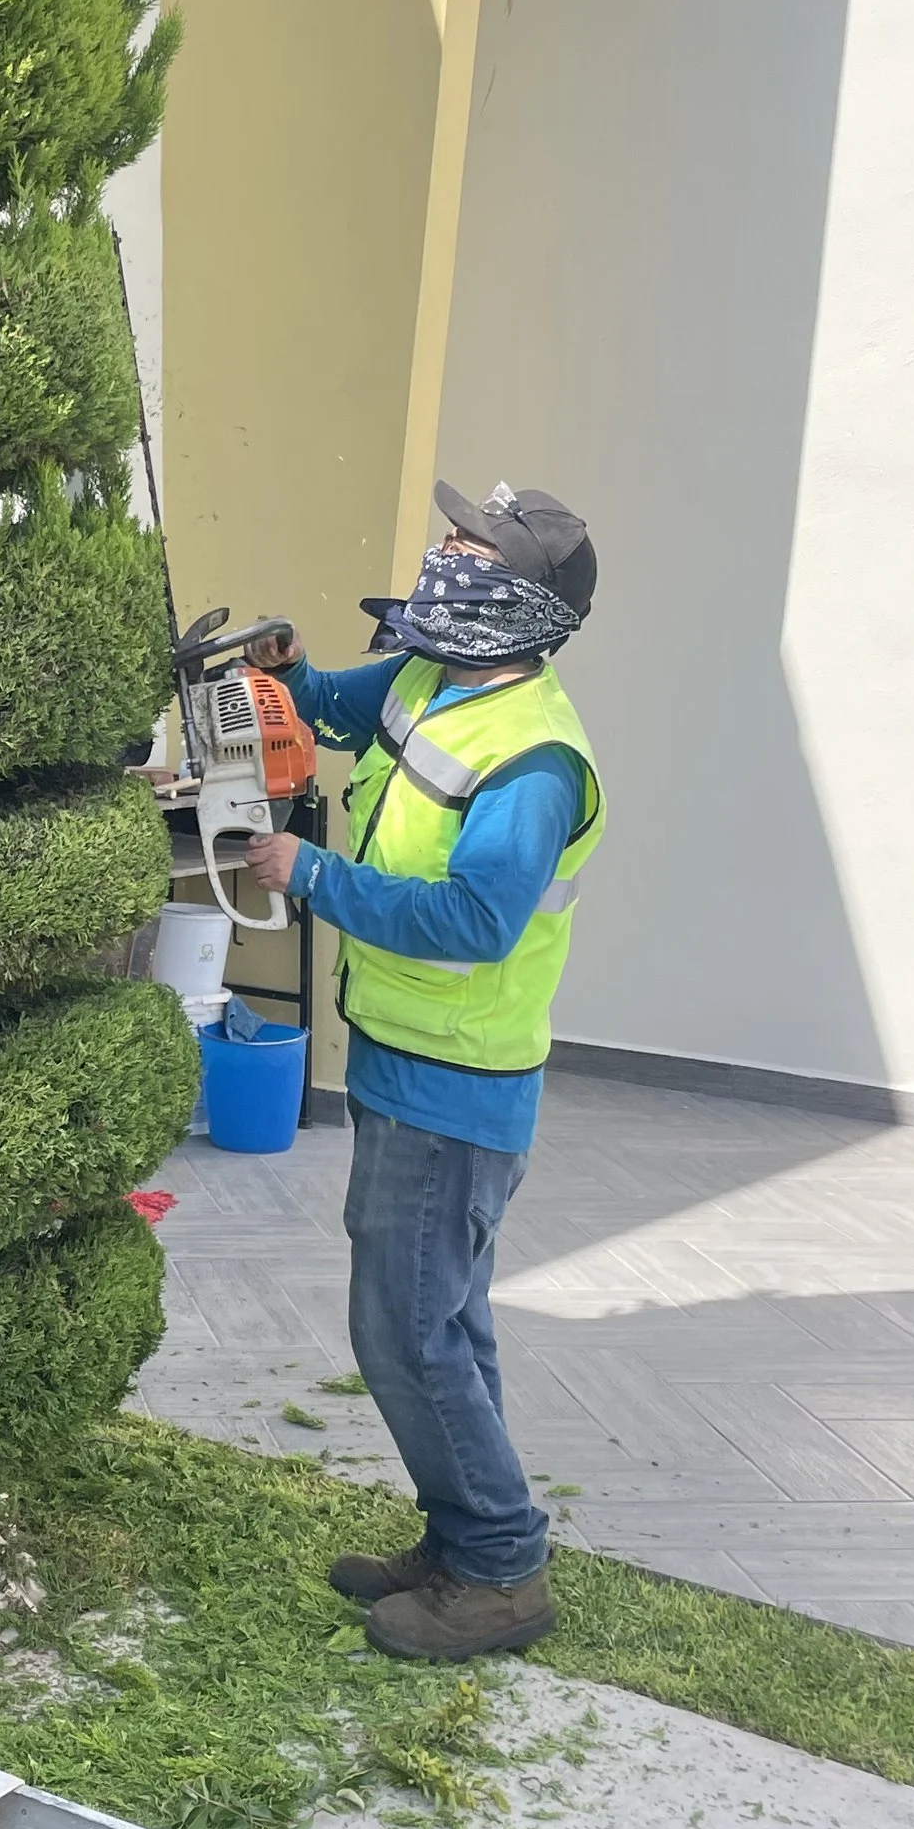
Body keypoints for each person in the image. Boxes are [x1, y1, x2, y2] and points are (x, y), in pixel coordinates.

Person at [235, 482, 604, 1663]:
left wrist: (310, 875)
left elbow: (472, 920)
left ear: (518, 599)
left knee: (403, 1330)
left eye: (466, 547)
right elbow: (340, 708)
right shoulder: (429, 674)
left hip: (460, 1082)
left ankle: (500, 1567)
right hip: (410, 1062)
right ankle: (464, 1540)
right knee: (446, 1321)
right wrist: (286, 676)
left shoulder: (535, 759)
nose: (441, 555)